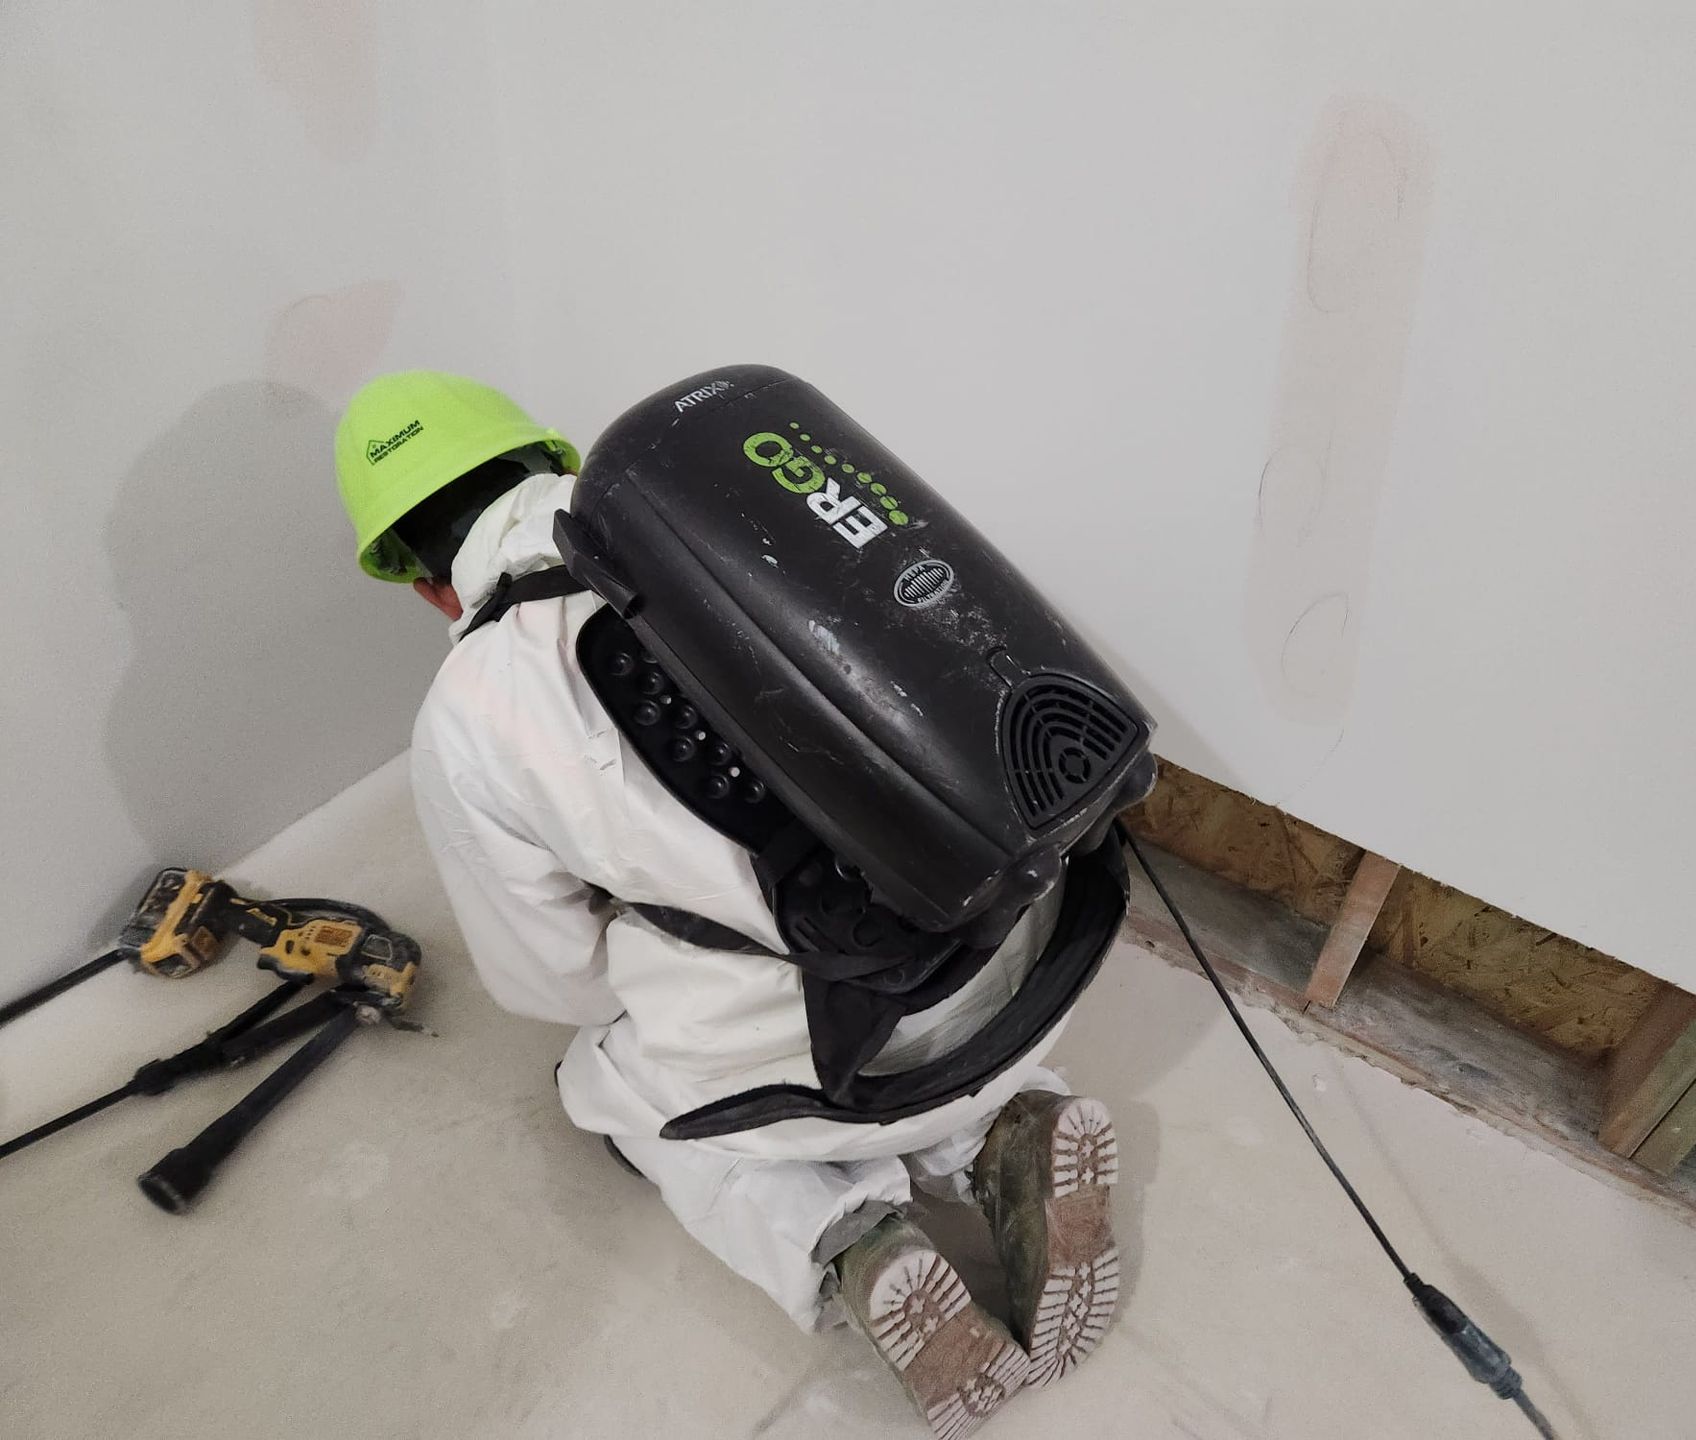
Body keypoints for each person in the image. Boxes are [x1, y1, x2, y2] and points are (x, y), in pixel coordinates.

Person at [334, 371, 1120, 1436]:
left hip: (853, 1058)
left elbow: (550, 978)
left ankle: (851, 1242)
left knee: (613, 1087)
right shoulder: (750, 523)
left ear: (426, 588)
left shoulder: (467, 717)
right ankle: (1007, 1128)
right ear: (554, 460)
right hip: (1038, 946)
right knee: (891, 976)